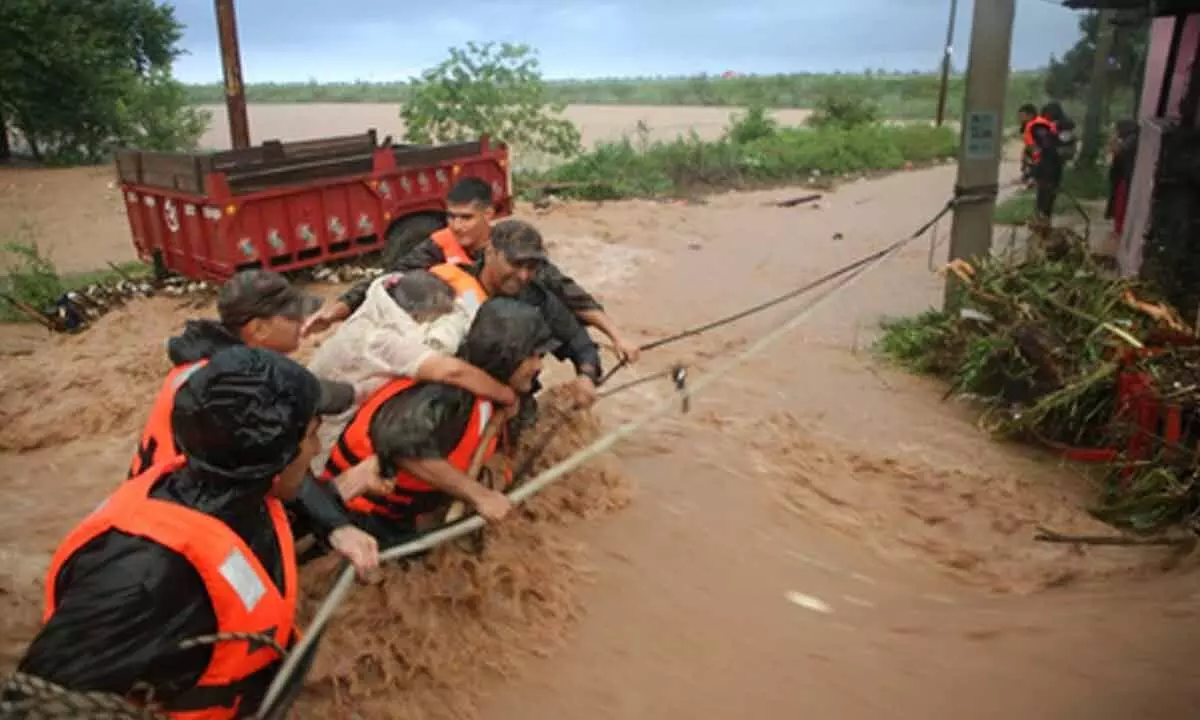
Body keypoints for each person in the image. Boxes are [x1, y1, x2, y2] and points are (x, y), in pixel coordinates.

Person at [8, 347, 368, 718]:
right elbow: (36, 707)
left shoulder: (243, 493)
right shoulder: (143, 577)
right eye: (311, 435)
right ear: (278, 456)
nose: (318, 448)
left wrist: (337, 520)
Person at [128, 268, 383, 577]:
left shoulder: (222, 371)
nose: (302, 324)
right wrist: (336, 524)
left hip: (165, 497)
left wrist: (364, 390)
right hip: (188, 518)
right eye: (292, 318)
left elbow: (312, 394)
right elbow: (272, 458)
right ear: (259, 329)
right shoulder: (230, 396)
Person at [302, 177, 641, 364]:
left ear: (488, 215)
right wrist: (337, 311)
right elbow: (388, 279)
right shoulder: (437, 246)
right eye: (451, 216)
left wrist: (616, 336)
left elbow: (569, 293)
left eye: (466, 217)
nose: (457, 226)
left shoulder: (516, 252)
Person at [321, 298, 553, 545]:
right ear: (506, 356)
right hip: (357, 515)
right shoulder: (446, 395)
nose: (539, 365)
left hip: (399, 512)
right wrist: (479, 495)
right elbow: (401, 444)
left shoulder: (493, 394)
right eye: (532, 356)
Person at [305, 269, 518, 473]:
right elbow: (451, 371)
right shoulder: (381, 339)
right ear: (418, 313)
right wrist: (504, 394)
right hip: (323, 439)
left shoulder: (379, 307)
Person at [1023, 104, 1065, 221]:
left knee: (1044, 203)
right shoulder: (1048, 131)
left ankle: (1042, 228)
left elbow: (1042, 154)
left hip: (1048, 171)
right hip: (1052, 171)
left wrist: (1032, 174)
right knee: (1045, 203)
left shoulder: (1041, 130)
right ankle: (1043, 226)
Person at [1105, 119, 1138, 245]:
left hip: (1126, 178)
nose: (1116, 132)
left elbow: (1118, 151)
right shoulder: (1131, 138)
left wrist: (1112, 142)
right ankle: (1119, 230)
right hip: (1123, 177)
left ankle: (1120, 232)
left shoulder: (1131, 140)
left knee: (1121, 205)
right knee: (1119, 204)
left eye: (1117, 129)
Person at [1017, 103, 1040, 184]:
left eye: (1022, 116)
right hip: (1030, 149)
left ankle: (1034, 177)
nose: (1020, 118)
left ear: (1030, 115)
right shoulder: (1025, 125)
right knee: (1026, 156)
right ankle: (1027, 175)